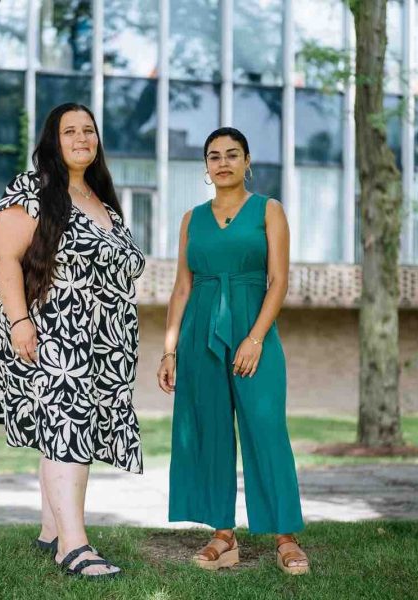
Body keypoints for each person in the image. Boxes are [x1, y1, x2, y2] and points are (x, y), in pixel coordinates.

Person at [0, 103, 145, 578]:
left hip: (100, 344)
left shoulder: (103, 200)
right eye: (69, 130)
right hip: (51, 332)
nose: (80, 137)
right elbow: (4, 256)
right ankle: (73, 546)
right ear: (52, 141)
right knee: (67, 430)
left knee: (68, 433)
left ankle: (52, 529)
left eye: (88, 130)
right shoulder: (33, 189)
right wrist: (19, 322)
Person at [157, 127, 309, 575]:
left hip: (253, 326)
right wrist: (169, 351)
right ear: (205, 166)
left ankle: (285, 536)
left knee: (266, 429)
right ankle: (223, 535)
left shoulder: (268, 210)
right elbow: (181, 287)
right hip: (198, 331)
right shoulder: (191, 219)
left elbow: (278, 280)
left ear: (247, 162)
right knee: (209, 430)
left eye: (232, 154)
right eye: (213, 156)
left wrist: (255, 336)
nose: (222, 162)